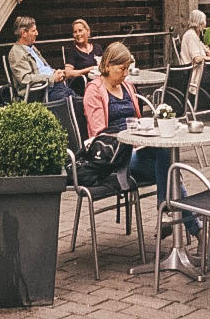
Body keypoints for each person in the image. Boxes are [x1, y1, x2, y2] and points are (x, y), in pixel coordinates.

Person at [84, 41, 199, 238]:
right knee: (171, 171)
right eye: (122, 69)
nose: (126, 74)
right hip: (114, 158)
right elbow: (99, 133)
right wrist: (130, 138)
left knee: (167, 161)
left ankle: (168, 215)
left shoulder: (127, 86)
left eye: (127, 68)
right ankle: (195, 230)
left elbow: (136, 120)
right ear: (107, 65)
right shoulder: (94, 91)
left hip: (136, 150)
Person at [7, 15, 76, 103]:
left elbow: (43, 68)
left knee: (77, 98)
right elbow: (25, 78)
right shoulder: (16, 52)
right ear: (24, 33)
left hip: (52, 87)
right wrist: (51, 78)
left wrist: (55, 72)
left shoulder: (32, 48)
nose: (37, 33)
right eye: (34, 30)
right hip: (40, 92)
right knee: (69, 101)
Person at [64, 18, 100, 93]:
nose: (78, 34)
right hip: (83, 86)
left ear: (88, 31)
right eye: (75, 32)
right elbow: (68, 73)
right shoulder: (73, 51)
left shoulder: (97, 47)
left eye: (80, 30)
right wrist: (89, 69)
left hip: (100, 83)